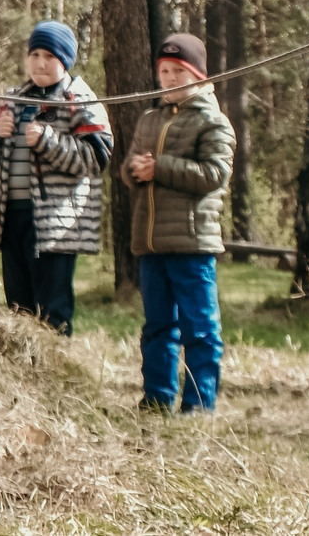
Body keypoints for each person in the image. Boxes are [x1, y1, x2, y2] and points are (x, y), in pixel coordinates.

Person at [124, 32, 235, 414]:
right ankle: (156, 399)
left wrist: (161, 168)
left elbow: (214, 174)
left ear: (198, 75)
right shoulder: (150, 118)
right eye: (164, 71)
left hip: (192, 244)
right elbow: (130, 168)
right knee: (157, 328)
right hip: (151, 244)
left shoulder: (213, 121)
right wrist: (135, 170)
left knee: (200, 331)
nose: (169, 79)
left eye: (178, 71)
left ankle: (199, 406)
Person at [0, 20, 110, 335]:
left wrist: (47, 141)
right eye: (35, 54)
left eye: (50, 57)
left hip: (57, 226)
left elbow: (96, 158)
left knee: (52, 306)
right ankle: (23, 368)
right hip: (12, 217)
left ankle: (54, 364)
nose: (40, 63)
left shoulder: (79, 99)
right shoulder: (13, 99)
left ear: (64, 60)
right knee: (18, 303)